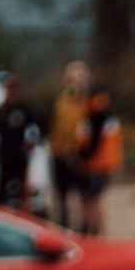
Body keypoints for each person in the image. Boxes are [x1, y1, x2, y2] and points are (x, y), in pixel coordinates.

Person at [69, 73, 123, 235]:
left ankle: (94, 232)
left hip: (94, 166)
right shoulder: (104, 114)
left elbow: (93, 144)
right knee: (92, 200)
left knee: (92, 200)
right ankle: (93, 230)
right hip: (99, 165)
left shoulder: (96, 116)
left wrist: (79, 157)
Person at [47, 62, 88, 228]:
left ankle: (84, 230)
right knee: (61, 196)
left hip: (81, 154)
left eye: (79, 78)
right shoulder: (62, 101)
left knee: (82, 196)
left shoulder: (88, 103)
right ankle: (64, 228)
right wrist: (61, 149)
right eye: (72, 78)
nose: (75, 82)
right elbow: (59, 127)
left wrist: (76, 150)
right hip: (60, 154)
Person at [0, 75, 40, 210]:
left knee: (22, 192)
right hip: (5, 156)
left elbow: (38, 125)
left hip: (20, 156)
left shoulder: (24, 109)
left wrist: (31, 143)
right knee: (1, 192)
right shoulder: (1, 110)